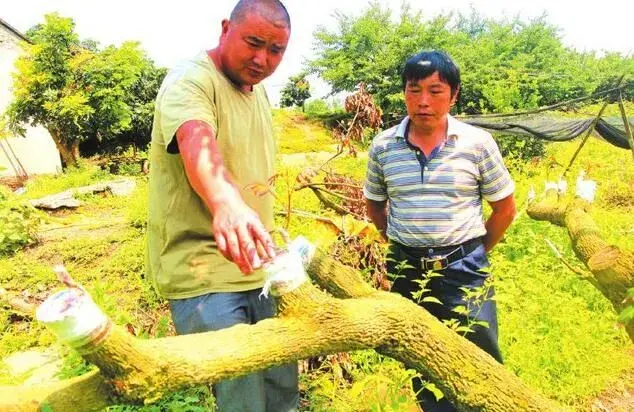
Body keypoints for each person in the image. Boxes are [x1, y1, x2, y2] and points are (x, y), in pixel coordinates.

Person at [145, 1, 299, 411]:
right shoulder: (191, 80)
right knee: (243, 400)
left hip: (261, 267)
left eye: (276, 50)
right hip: (206, 276)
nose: (262, 59)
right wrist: (225, 202)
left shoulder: (258, 90)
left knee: (282, 390)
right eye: (253, 43)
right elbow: (196, 138)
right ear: (226, 28)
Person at [363, 50, 516, 411]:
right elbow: (374, 204)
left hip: (464, 270)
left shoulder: (476, 144)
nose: (424, 102)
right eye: (414, 90)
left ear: (454, 95)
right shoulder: (384, 146)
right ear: (404, 93)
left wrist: (474, 252)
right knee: (422, 358)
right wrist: (401, 243)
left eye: (436, 91)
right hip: (407, 270)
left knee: (480, 356)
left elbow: (505, 209)